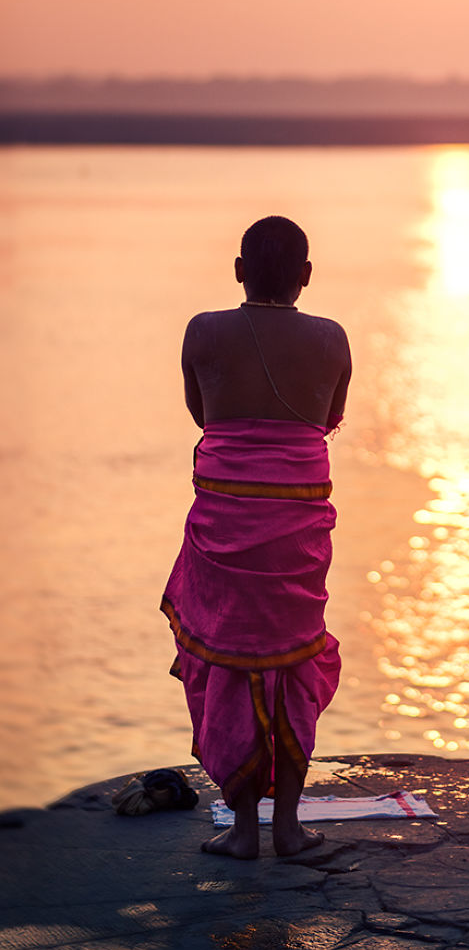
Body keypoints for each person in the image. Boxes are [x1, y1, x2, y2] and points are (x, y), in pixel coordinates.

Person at [161, 216, 351, 858]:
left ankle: (244, 833)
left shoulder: (203, 330)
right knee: (292, 660)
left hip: (224, 518)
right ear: (305, 276)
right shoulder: (331, 338)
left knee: (226, 661)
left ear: (239, 269)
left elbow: (201, 411)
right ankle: (290, 829)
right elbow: (329, 419)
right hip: (295, 525)